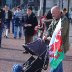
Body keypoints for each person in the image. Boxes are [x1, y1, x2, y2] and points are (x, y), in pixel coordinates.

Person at [43, 6, 69, 72]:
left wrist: (49, 38)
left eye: (53, 13)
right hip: (54, 46)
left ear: (59, 12)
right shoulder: (55, 18)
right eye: (52, 14)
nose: (52, 15)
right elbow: (49, 28)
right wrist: (46, 35)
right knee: (58, 67)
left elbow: (60, 35)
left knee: (54, 66)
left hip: (60, 47)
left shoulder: (64, 20)